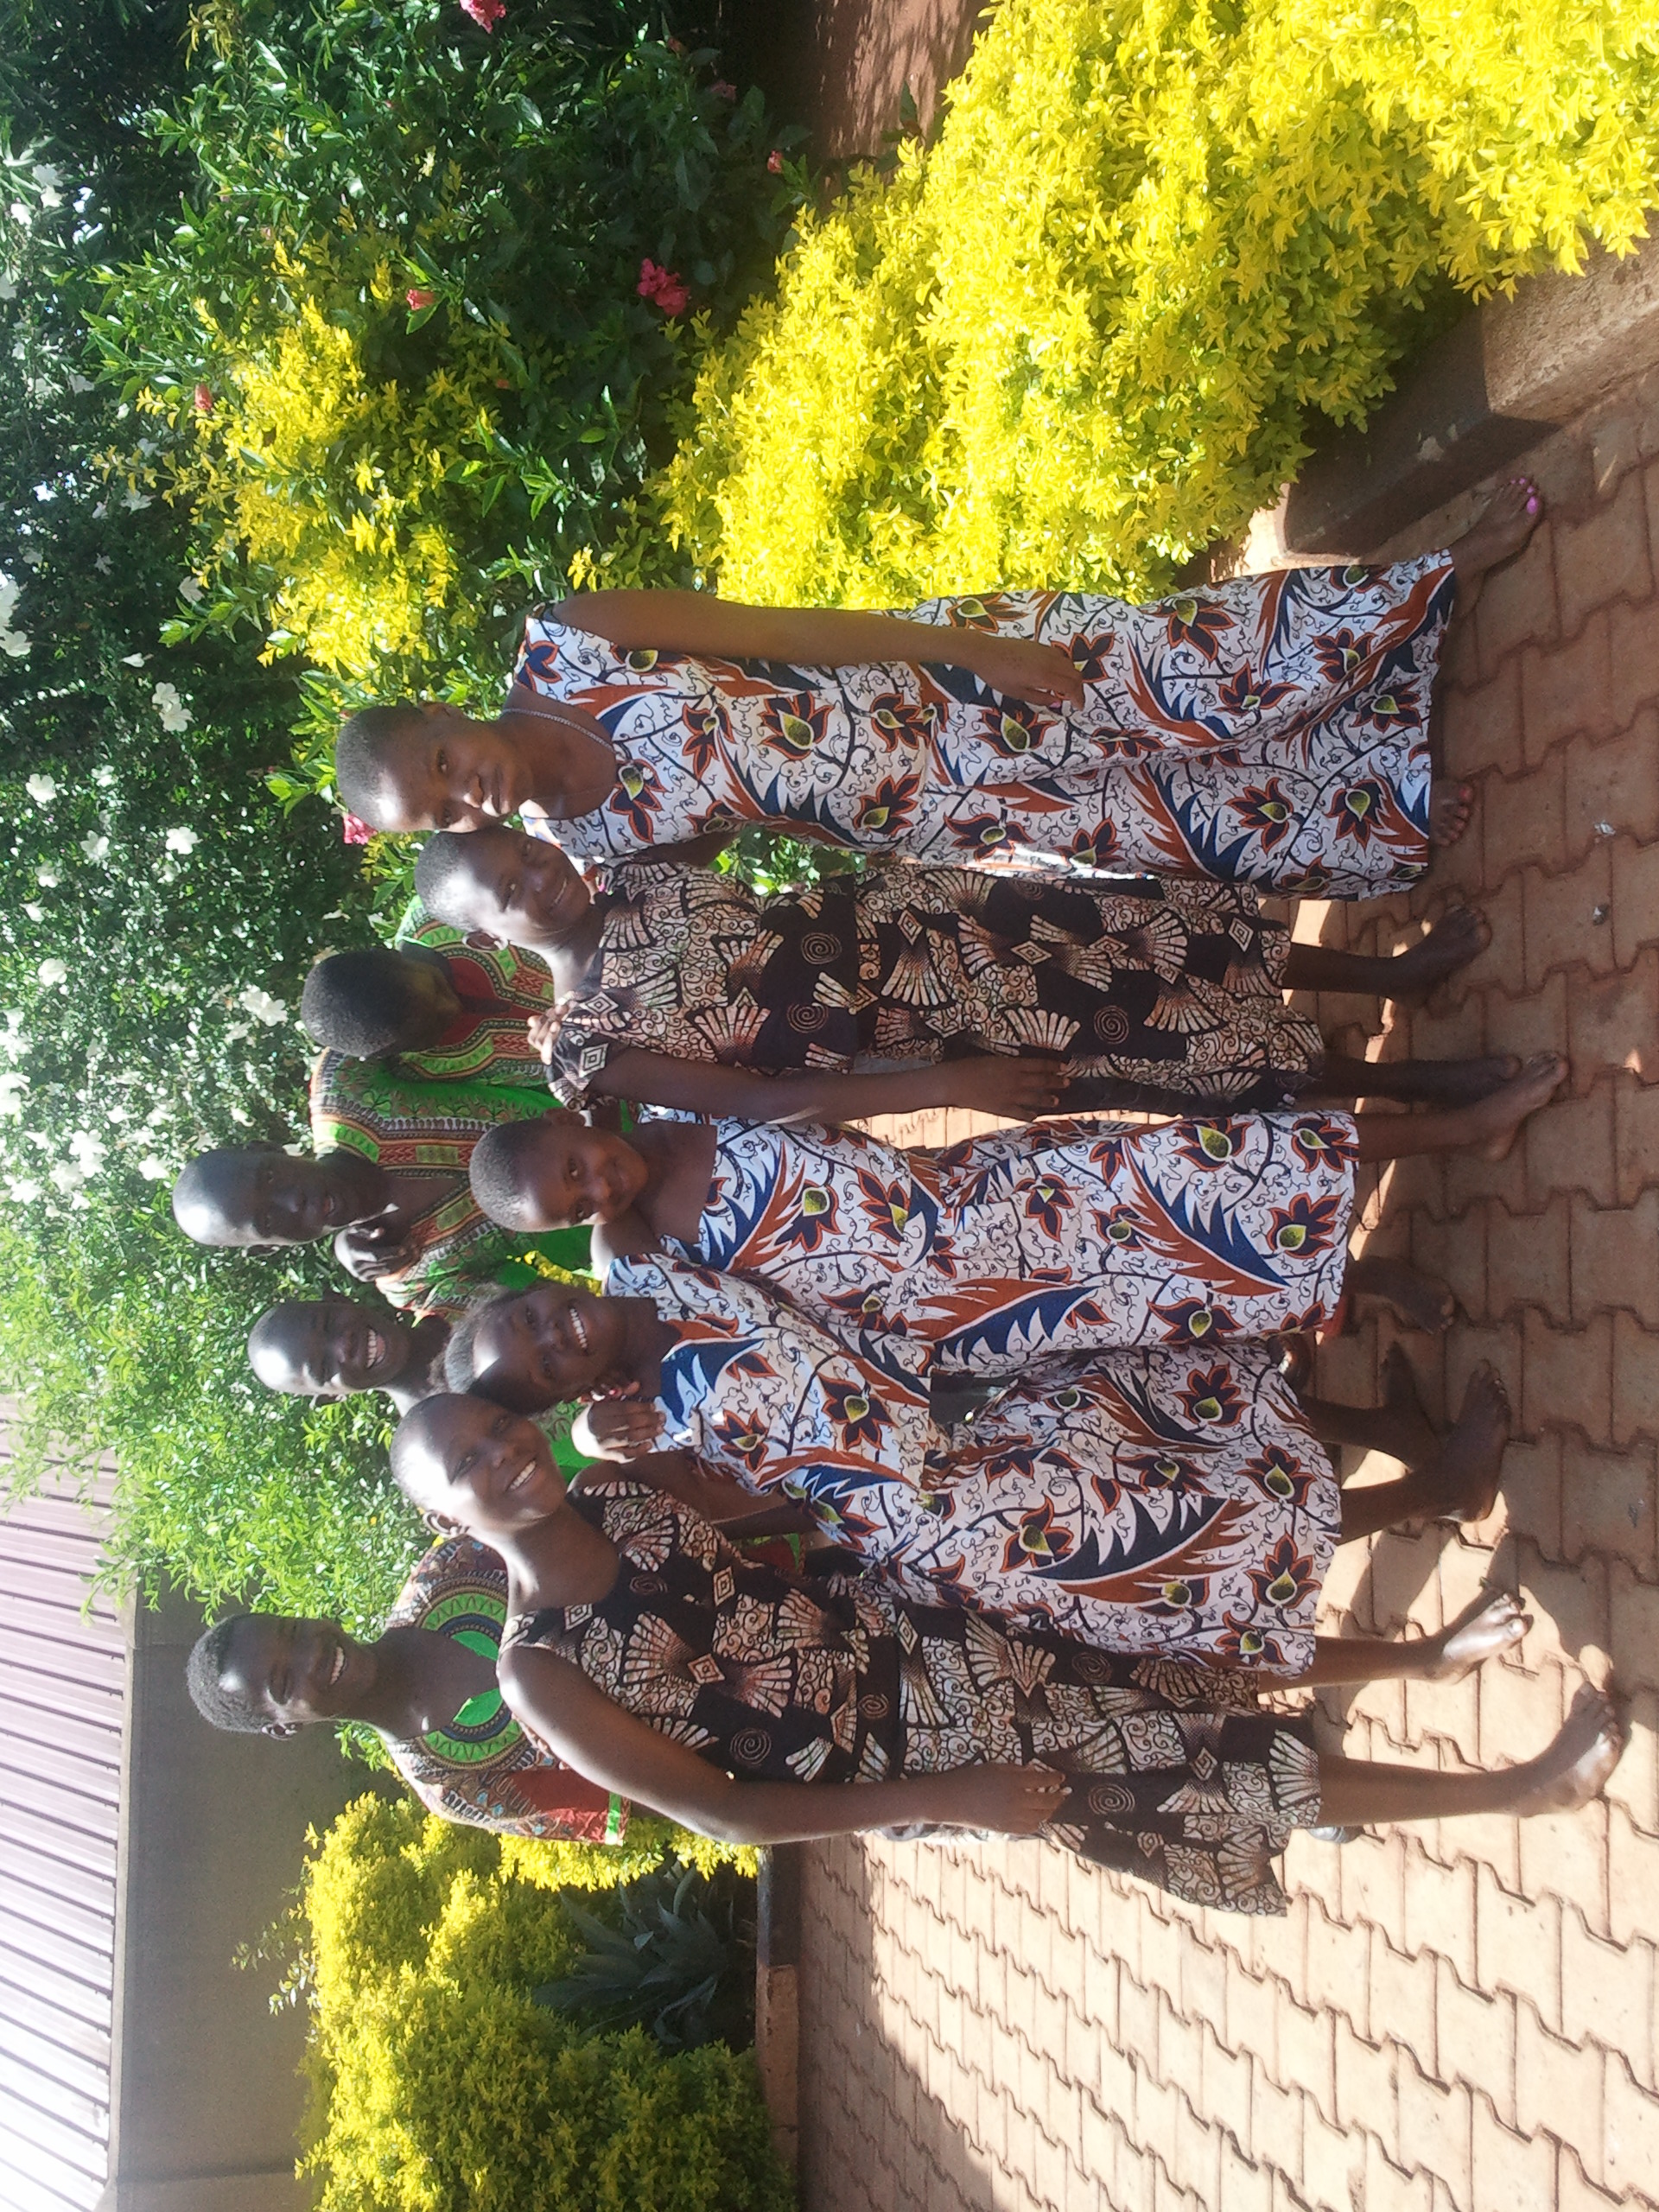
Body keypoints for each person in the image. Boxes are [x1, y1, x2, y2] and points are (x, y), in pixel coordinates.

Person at [385, 1394, 1623, 1917]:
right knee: (1214, 1769)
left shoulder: (617, 1494)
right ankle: (1520, 1791)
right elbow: (724, 1813)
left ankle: (1424, 1661)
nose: (506, 1455)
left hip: (923, 1630)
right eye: (470, 1465)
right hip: (916, 1753)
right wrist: (950, 1798)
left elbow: (779, 1512)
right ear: (450, 1516)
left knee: (1190, 1664)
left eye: (498, 1428)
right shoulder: (536, 1669)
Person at [334, 484, 1543, 899]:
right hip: (936, 812)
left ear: (440, 715)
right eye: (440, 815)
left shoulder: (574, 643)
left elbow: (782, 629)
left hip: (935, 684)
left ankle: (1435, 584)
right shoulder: (585, 844)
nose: (464, 796)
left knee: (1185, 665)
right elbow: (748, 841)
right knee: (1177, 813)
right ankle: (1396, 786)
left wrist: (972, 653)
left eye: (439, 766)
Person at [413, 825, 1512, 1120]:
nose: (538, 879)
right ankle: (1409, 1084)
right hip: (941, 1032)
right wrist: (948, 1087)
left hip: (940, 912)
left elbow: (745, 802)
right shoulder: (588, 1043)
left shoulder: (631, 874)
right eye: (509, 891)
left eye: (526, 854)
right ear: (486, 938)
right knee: (1173, 1049)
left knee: (1178, 937)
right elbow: (757, 1101)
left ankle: (1395, 980)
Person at [466, 1105, 1477, 1366]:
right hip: (965, 1306)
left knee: (1185, 1164)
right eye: (575, 1206)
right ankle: (1361, 1280)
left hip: (977, 1189)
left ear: (571, 1121)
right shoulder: (639, 1256)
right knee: (1167, 1291)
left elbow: (807, 1095)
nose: (598, 1187)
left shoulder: (669, 1105)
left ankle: (1441, 1131)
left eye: (576, 1165)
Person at [184, 1535, 625, 1841]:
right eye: (284, 1681)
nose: (311, 1654)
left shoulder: (450, 1568)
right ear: (285, 1727)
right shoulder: (451, 1785)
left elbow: (594, 1530)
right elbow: (621, 1799)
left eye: (294, 1630)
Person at [300, 931, 556, 1093]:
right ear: (390, 1052)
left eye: (436, 987)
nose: (452, 1007)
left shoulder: (447, 915)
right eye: (432, 1031)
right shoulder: (428, 1073)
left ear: (391, 955)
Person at [247, 1297, 449, 1414]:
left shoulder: (446, 1290)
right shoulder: (443, 1436)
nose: (345, 1346)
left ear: (340, 1300)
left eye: (328, 1323)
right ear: (331, 1397)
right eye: (324, 1368)